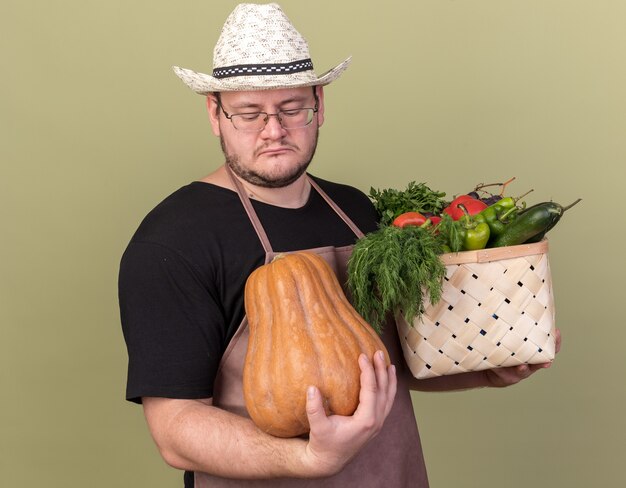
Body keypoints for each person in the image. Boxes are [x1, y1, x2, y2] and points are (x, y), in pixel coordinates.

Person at [118, 4, 561, 487]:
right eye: (249, 114)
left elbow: (391, 360)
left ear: (320, 105)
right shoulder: (173, 241)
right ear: (215, 114)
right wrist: (309, 459)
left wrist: (485, 370)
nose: (274, 130)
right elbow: (176, 430)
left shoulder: (355, 210)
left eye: (293, 108)